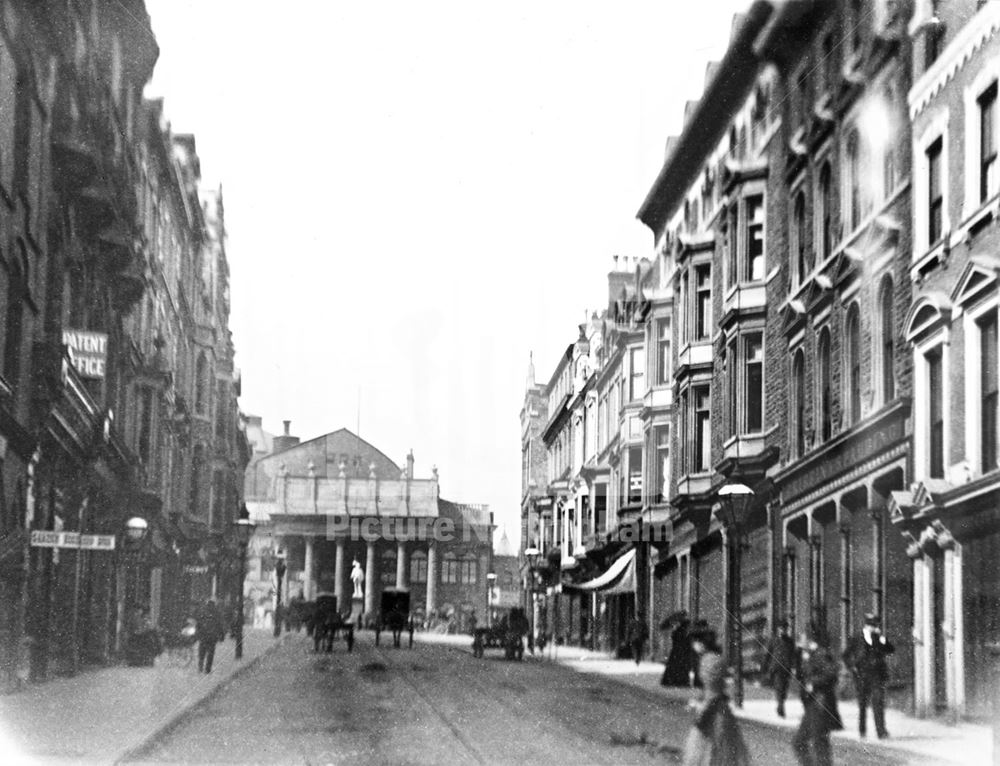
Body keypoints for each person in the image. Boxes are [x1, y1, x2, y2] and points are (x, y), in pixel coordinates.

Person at [681, 622, 751, 766]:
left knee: (713, 752)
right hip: (718, 709)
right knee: (716, 753)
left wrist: (701, 707)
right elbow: (711, 688)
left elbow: (713, 693)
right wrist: (699, 699)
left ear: (701, 643)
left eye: (695, 642)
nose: (694, 646)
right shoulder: (711, 658)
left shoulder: (710, 661)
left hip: (714, 712)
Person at [792, 622, 843, 766]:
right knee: (803, 742)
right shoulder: (809, 654)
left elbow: (832, 673)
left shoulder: (820, 653)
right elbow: (801, 674)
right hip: (813, 705)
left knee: (818, 743)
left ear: (809, 639)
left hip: (820, 704)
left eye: (802, 638)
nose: (800, 641)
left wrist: (813, 683)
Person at [842, 612, 894, 739]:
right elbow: (845, 655)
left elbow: (891, 650)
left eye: (874, 625)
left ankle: (881, 732)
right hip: (861, 675)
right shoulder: (856, 638)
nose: (873, 628)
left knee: (878, 702)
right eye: (871, 625)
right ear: (866, 625)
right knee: (862, 704)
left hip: (876, 675)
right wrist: (852, 667)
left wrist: (883, 640)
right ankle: (862, 730)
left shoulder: (878, 638)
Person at [762, 619, 797, 717]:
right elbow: (767, 655)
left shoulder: (790, 641)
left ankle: (781, 703)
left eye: (785, 629)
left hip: (786, 668)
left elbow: (793, 655)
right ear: (778, 629)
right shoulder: (773, 640)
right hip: (776, 668)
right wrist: (764, 667)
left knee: (784, 690)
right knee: (779, 687)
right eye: (781, 629)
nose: (783, 631)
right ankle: (781, 707)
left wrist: (794, 667)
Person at [661, 612, 694, 687]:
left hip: (677, 652)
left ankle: (675, 681)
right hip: (680, 652)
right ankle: (680, 681)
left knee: (676, 667)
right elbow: (684, 641)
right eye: (687, 626)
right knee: (680, 667)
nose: (688, 627)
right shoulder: (681, 632)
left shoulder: (678, 631)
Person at [195, 599, 225, 673]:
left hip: (203, 636)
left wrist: (197, 634)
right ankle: (207, 669)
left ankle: (200, 667)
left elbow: (198, 624)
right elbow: (220, 625)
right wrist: (221, 635)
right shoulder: (216, 613)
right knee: (210, 654)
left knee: (202, 653)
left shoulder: (203, 612)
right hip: (212, 637)